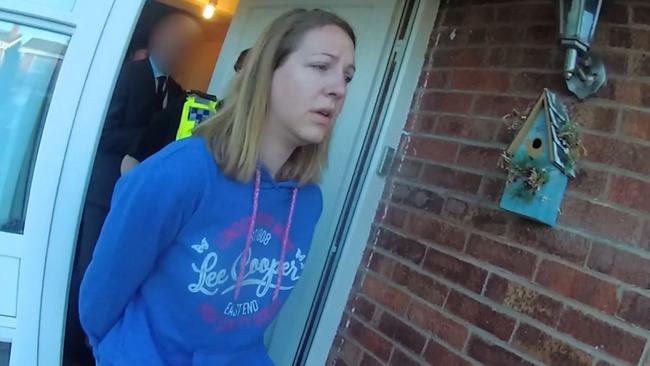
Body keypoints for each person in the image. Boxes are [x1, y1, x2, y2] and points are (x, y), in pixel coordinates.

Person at [78, 8, 355, 366]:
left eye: (347, 76)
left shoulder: (306, 202)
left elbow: (245, 327)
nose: (338, 88)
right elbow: (100, 302)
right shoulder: (180, 173)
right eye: (321, 66)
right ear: (266, 73)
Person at [64, 12, 201, 366]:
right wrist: (144, 146)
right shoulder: (127, 75)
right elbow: (103, 132)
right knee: (88, 272)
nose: (181, 48)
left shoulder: (177, 93)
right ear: (159, 37)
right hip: (104, 191)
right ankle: (71, 350)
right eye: (177, 39)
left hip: (141, 201)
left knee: (121, 274)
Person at [120, 48, 250, 174]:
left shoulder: (261, 140)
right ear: (238, 72)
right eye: (251, 73)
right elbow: (133, 157)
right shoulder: (191, 105)